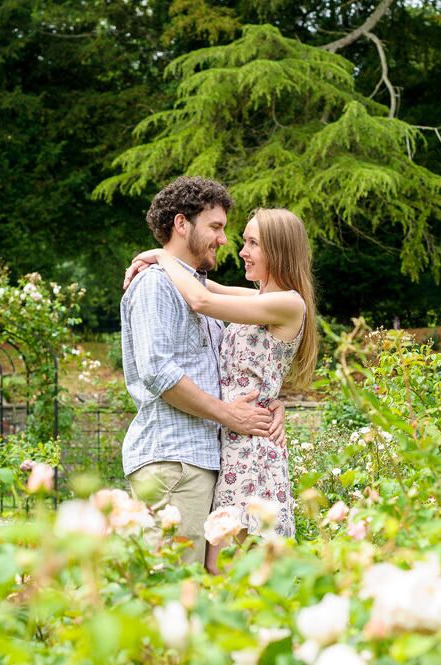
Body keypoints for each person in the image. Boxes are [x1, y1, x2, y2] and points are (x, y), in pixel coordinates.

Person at [127, 207, 318, 573]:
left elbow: (203, 301)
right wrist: (160, 258)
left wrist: (162, 257)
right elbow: (203, 286)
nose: (242, 251)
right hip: (231, 442)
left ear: (278, 250)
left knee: (225, 567)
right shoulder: (258, 299)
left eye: (252, 243)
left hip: (251, 450)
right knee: (219, 565)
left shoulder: (288, 302)